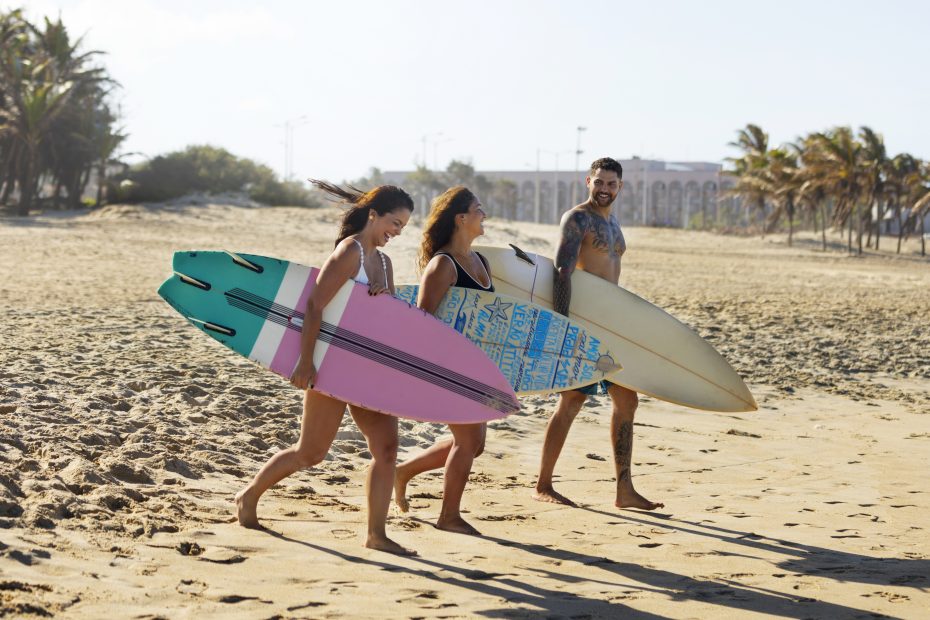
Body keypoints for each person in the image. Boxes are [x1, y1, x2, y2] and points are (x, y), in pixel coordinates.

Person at [235, 181, 417, 555]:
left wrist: (387, 299)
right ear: (373, 215)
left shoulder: (383, 262)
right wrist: (306, 361)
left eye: (403, 227)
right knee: (311, 453)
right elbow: (315, 306)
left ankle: (376, 534)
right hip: (331, 365)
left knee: (386, 448)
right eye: (395, 223)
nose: (397, 233)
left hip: (367, 366)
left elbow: (389, 320)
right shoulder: (349, 252)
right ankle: (248, 495)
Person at [532, 157, 664, 511]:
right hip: (583, 324)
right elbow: (562, 270)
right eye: (599, 182)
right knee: (572, 401)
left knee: (627, 402)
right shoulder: (577, 218)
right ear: (587, 181)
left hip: (612, 325)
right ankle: (543, 484)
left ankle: (625, 490)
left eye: (611, 184)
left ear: (620, 187)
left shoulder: (615, 224)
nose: (604, 189)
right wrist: (563, 324)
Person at [393, 186, 493, 536]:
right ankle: (448, 516)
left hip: (477, 367)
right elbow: (422, 321)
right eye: (479, 209)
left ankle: (402, 472)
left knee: (475, 445)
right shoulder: (442, 265)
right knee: (468, 443)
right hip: (448, 368)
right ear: (461, 218)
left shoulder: (480, 262)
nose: (485, 215)